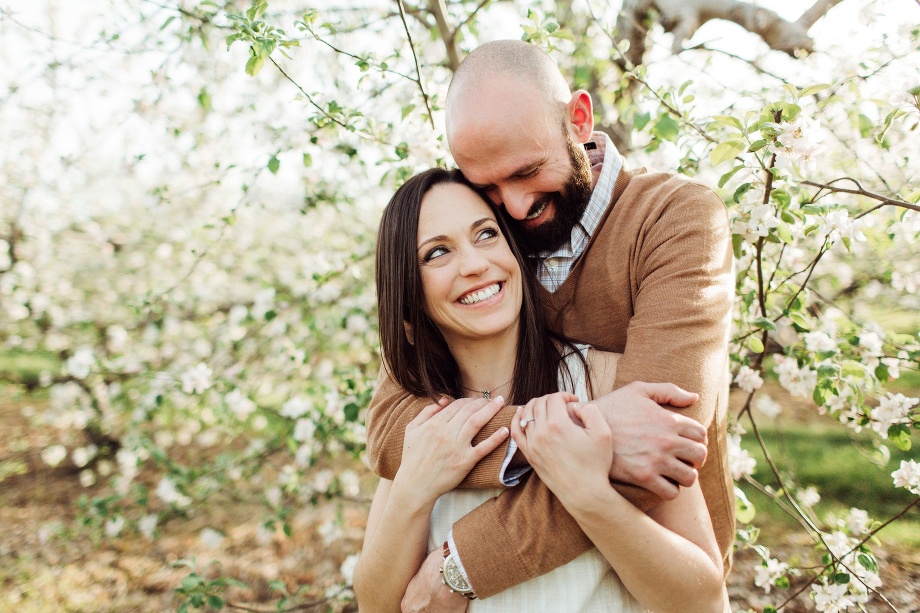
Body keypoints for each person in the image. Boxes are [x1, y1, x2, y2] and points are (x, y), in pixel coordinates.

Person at [366, 40, 736, 609]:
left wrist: (461, 566)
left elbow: (657, 447)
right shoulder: (487, 247)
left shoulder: (673, 221)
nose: (512, 208)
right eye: (488, 190)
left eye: (528, 171)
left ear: (579, 120)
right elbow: (395, 425)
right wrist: (576, 433)